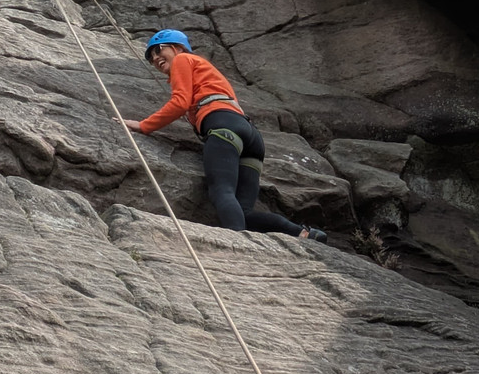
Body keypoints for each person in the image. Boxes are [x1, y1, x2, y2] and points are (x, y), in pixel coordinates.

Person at [122, 29, 326, 241]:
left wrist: (144, 125)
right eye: (151, 58)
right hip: (250, 138)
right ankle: (303, 233)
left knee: (222, 191)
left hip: (224, 128)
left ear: (177, 48)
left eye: (158, 50)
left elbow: (180, 102)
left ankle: (238, 244)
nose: (155, 58)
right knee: (243, 211)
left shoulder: (183, 60)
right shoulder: (205, 71)